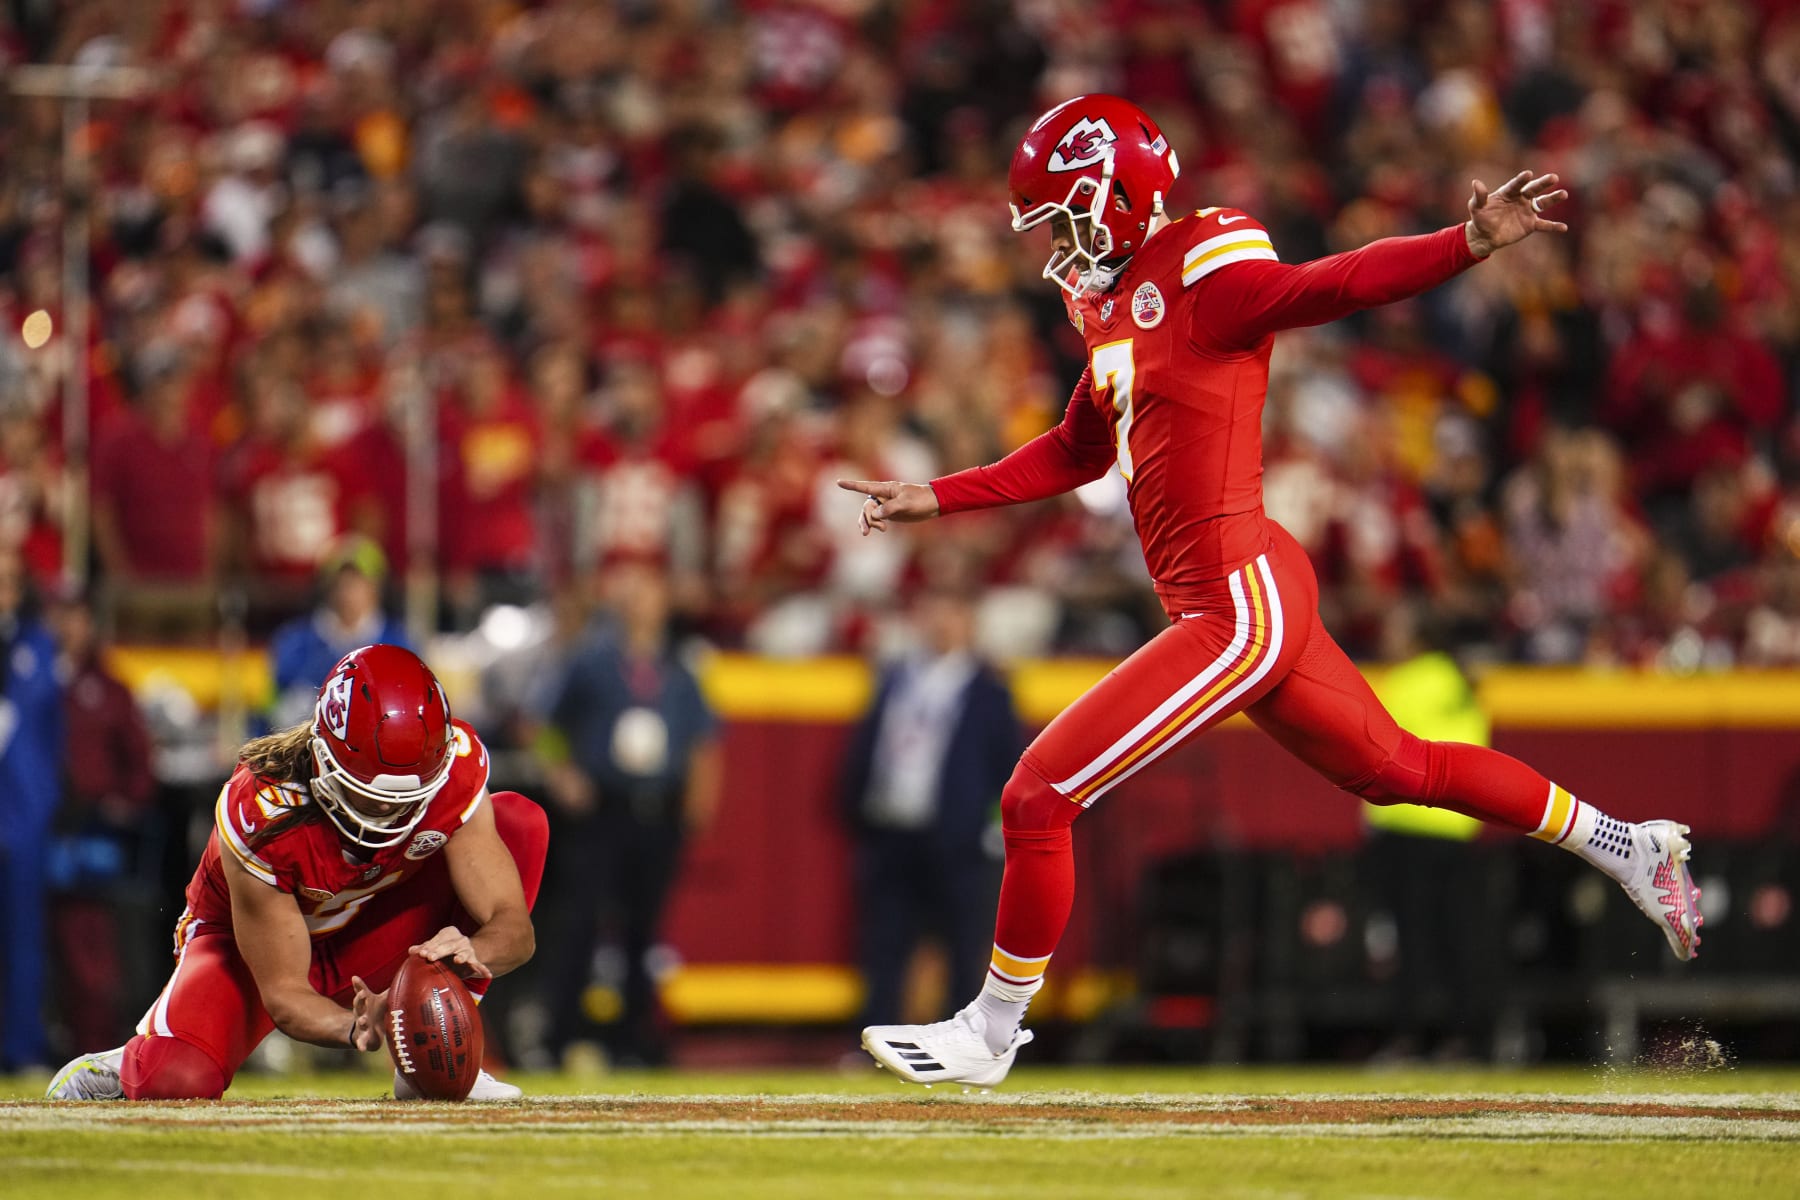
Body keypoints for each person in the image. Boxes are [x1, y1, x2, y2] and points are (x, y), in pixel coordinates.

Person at [841, 95, 1701, 1088]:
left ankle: (990, 1033)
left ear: (1118, 197)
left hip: (1235, 601)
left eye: (1065, 217)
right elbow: (1080, 446)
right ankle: (1628, 843)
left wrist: (1463, 242)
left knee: (1038, 794)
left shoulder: (1206, 271)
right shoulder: (1110, 303)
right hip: (1245, 586)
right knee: (1402, 771)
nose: (1059, 246)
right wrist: (936, 498)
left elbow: (1328, 284)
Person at [46, 643, 547, 1101]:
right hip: (251, 949)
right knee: (176, 1082)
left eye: (407, 803)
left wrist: (470, 954)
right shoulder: (261, 811)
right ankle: (131, 1061)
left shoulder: (454, 769)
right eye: (367, 797)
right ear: (322, 757)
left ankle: (429, 1059)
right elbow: (285, 993)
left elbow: (513, 930)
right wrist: (360, 1026)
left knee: (519, 821)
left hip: (370, 923)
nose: (388, 819)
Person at [536, 558, 721, 1067]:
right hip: (603, 810)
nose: (639, 601)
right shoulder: (591, 661)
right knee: (580, 923)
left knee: (646, 929)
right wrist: (563, 775)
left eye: (648, 590)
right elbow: (541, 725)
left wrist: (699, 806)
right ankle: (558, 1036)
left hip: (657, 812)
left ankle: (634, 1039)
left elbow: (704, 741)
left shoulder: (682, 667)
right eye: (631, 591)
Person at [840, 583, 1018, 1030]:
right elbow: (870, 749)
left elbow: (1008, 768)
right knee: (883, 943)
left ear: (970, 623)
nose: (940, 622)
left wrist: (990, 834)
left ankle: (962, 1040)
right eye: (932, 610)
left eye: (951, 611)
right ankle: (875, 1037)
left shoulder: (990, 691)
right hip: (894, 828)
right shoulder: (898, 676)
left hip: (955, 838)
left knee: (962, 943)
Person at [0, 550, 66, 1072]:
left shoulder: (36, 645)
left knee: (24, 938)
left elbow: (47, 736)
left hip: (20, 813)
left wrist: (42, 804)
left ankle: (21, 1046)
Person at [266, 536, 413, 730]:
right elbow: (271, 710)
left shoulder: (399, 646)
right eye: (342, 582)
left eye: (358, 582)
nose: (348, 592)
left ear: (376, 587)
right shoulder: (294, 644)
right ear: (327, 586)